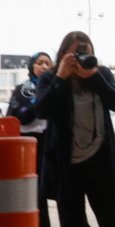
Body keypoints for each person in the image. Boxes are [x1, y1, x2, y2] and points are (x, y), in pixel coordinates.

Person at [35, 32, 115, 227]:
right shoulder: (51, 77)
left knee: (110, 220)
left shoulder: (101, 73)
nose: (83, 58)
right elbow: (42, 110)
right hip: (66, 166)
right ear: (63, 55)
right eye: (78, 53)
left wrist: (94, 77)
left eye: (87, 53)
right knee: (72, 222)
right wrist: (61, 78)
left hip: (101, 163)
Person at [6, 52, 54, 227]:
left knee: (49, 191)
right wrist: (40, 103)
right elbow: (18, 116)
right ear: (32, 66)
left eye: (47, 63)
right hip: (29, 146)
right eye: (39, 63)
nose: (44, 66)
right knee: (34, 193)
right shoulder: (23, 89)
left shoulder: (55, 86)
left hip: (49, 143)